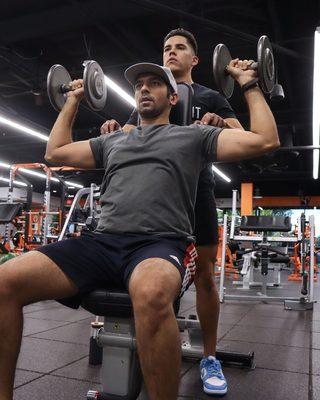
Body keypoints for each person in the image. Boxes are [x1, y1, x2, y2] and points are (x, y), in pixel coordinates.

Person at [0, 60, 278, 400]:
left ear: (173, 98)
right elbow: (55, 152)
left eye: (154, 83)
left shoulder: (193, 136)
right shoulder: (113, 141)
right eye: (139, 85)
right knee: (5, 281)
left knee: (152, 293)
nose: (144, 88)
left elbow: (265, 140)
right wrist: (72, 100)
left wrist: (249, 85)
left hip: (159, 244)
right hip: (101, 242)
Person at [100, 28, 244, 396]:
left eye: (179, 48)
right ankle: (149, 347)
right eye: (166, 48)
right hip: (152, 197)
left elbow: (240, 133)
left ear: (195, 59)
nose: (171, 53)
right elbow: (131, 134)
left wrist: (220, 122)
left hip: (197, 194)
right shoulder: (149, 96)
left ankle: (209, 357)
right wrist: (114, 130)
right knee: (150, 276)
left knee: (205, 276)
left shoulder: (209, 95)